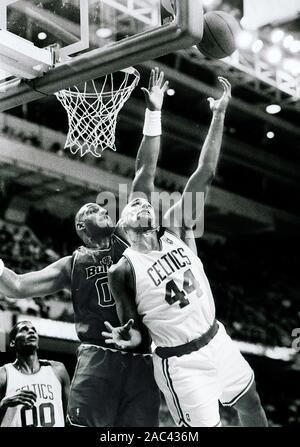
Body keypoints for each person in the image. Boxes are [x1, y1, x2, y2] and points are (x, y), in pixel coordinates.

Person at [0, 67, 169, 427]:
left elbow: (145, 173)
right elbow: (15, 286)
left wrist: (153, 112)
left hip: (142, 357)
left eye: (102, 206)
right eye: (91, 208)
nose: (100, 207)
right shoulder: (70, 264)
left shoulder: (128, 239)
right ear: (80, 227)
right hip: (98, 357)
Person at [104, 77, 268, 427]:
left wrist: (211, 114)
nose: (140, 203)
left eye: (143, 201)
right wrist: (130, 338)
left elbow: (200, 172)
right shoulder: (123, 270)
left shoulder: (176, 228)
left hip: (216, 337)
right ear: (122, 227)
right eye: (132, 203)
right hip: (181, 363)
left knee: (251, 403)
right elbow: (132, 328)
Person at [0, 320, 70, 427]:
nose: (31, 331)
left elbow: (69, 417)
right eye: (24, 329)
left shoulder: (58, 370)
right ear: (12, 342)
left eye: (34, 330)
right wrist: (3, 404)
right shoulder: (3, 374)